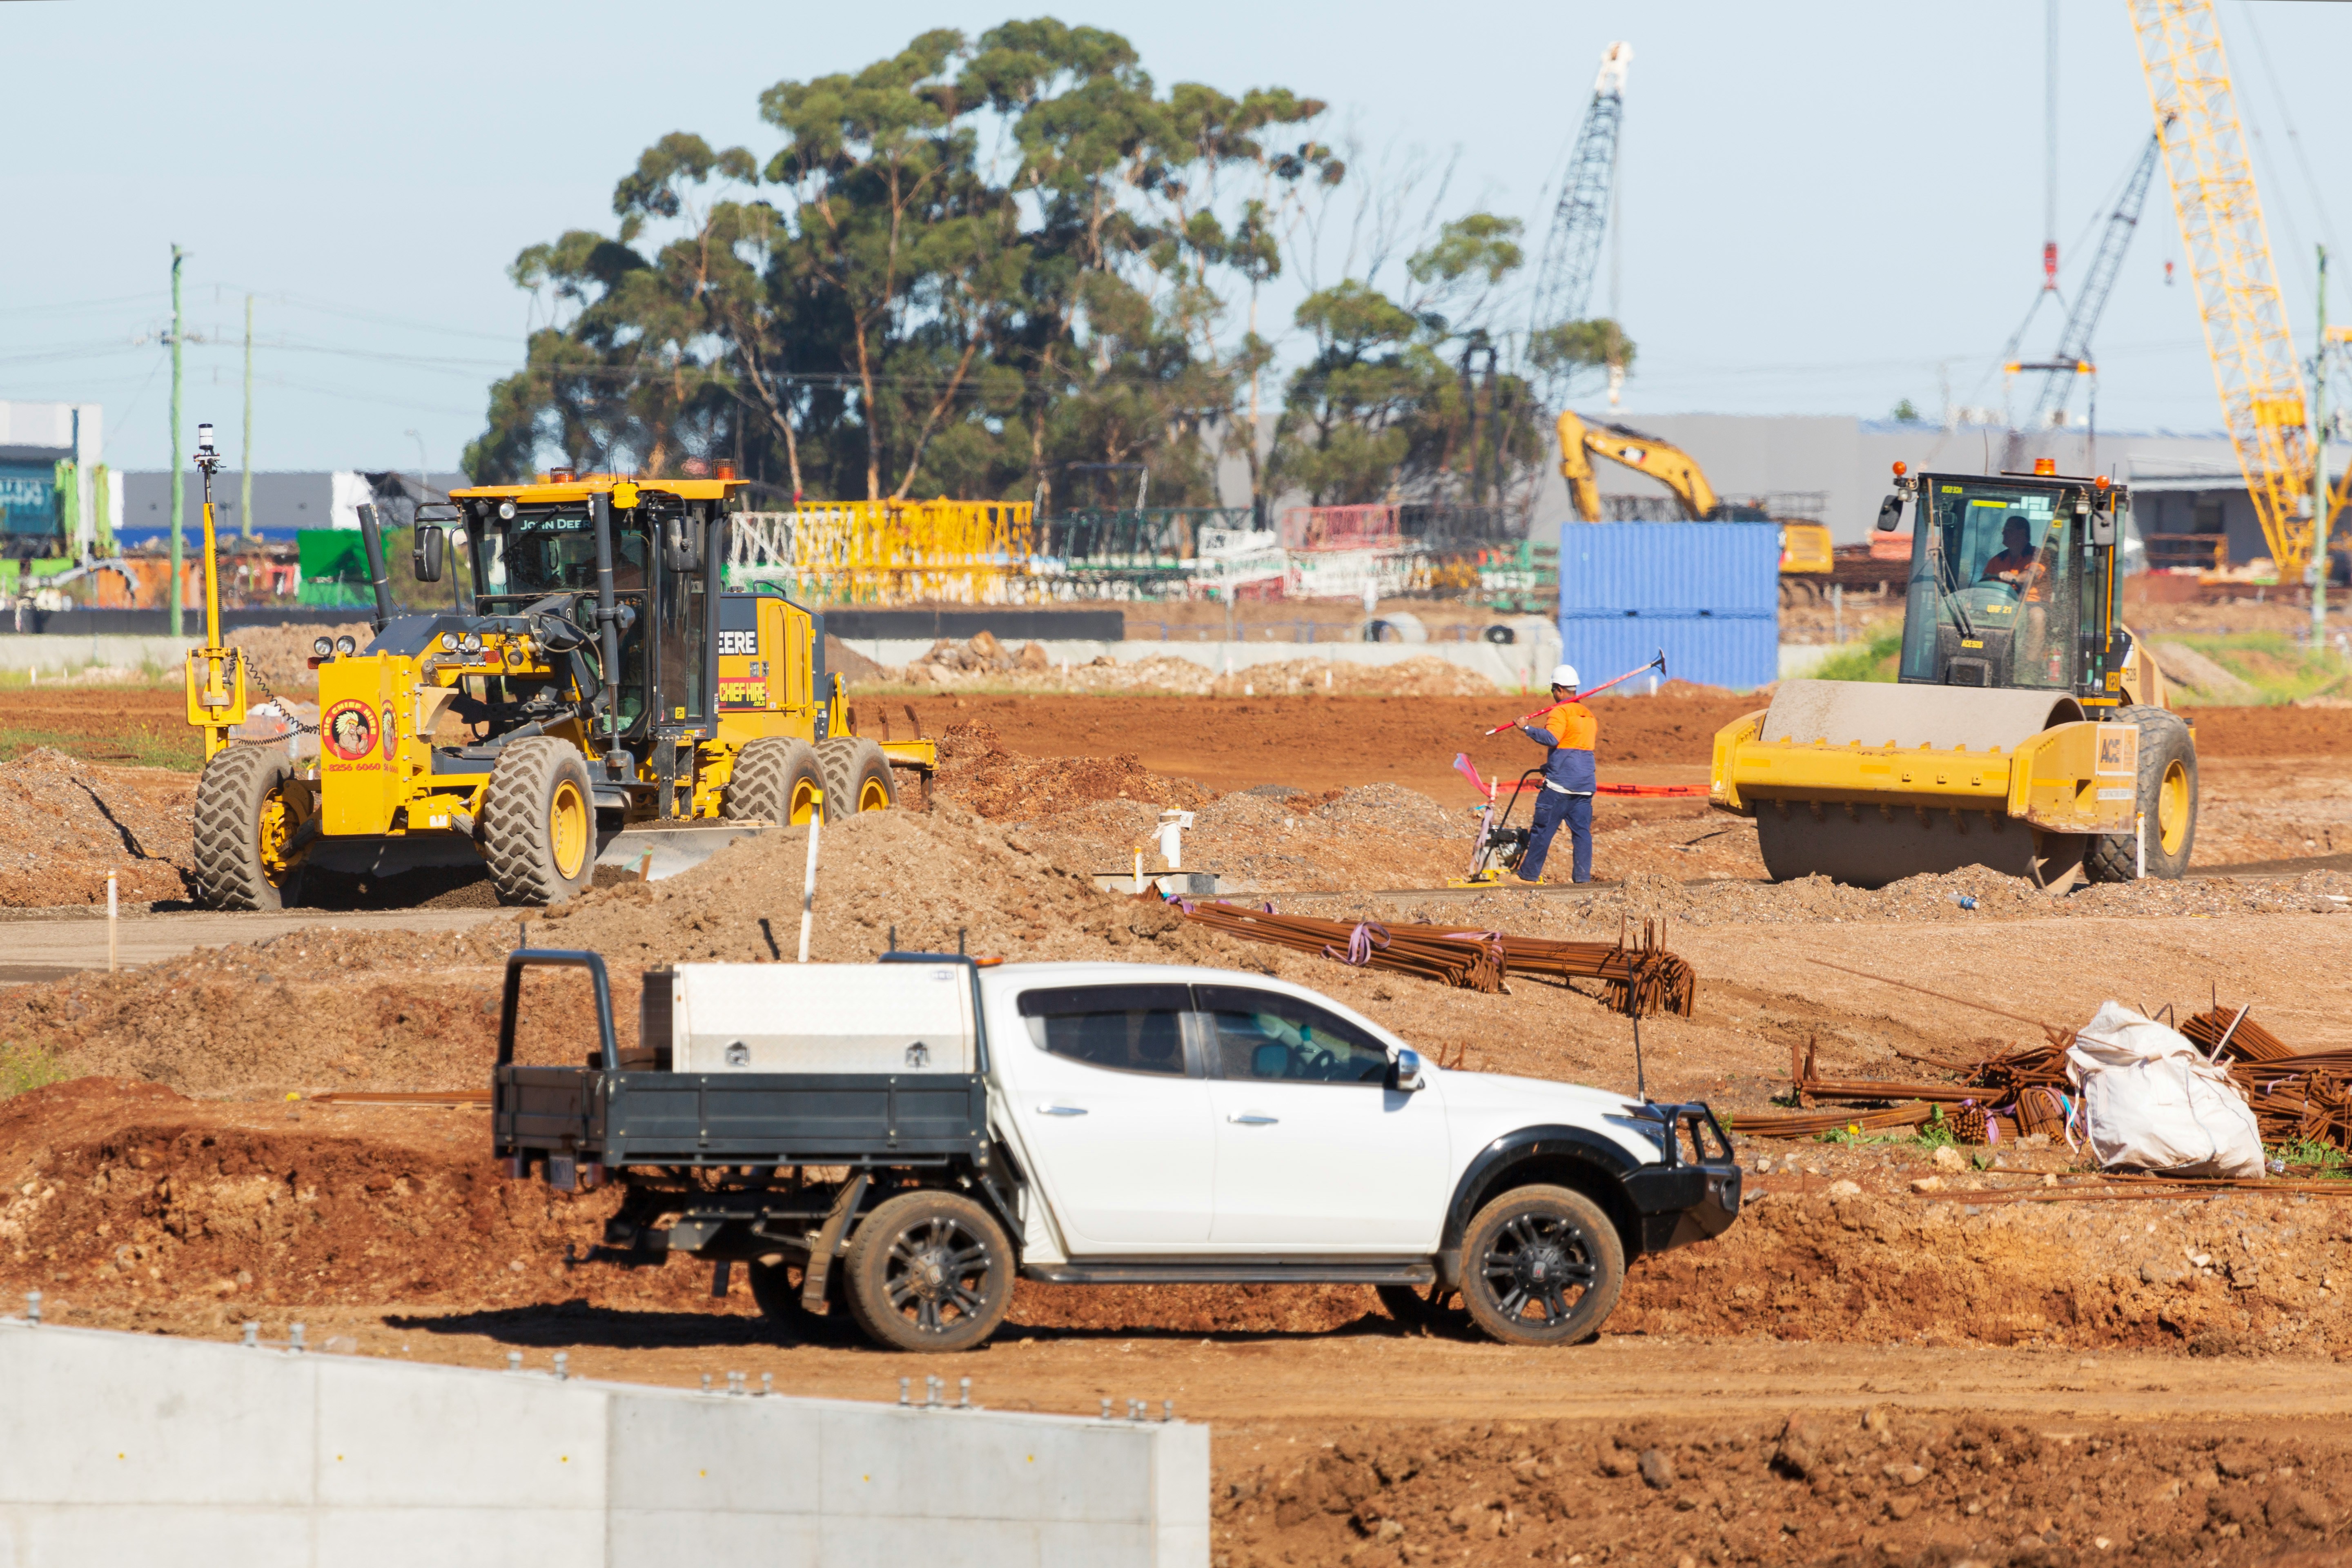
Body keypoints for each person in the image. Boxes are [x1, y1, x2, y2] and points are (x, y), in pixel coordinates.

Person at [1514, 663, 1596, 885]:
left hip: (1560, 786)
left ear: (1559, 689)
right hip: (1585, 784)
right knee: (1582, 834)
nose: (1552, 694)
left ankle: (1528, 875)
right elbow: (1574, 748)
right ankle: (1582, 878)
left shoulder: (1561, 710)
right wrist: (1550, 765)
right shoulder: (1587, 715)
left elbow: (1552, 739)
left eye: (1552, 690)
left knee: (1542, 830)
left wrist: (1527, 729)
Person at [1980, 516, 2040, 590]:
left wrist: (2015, 578)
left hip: (2031, 602)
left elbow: (2032, 575)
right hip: (1999, 600)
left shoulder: (2038, 555)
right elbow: (1983, 586)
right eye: (2003, 530)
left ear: (2022, 533)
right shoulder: (1996, 561)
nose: (2003, 533)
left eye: (2008, 530)